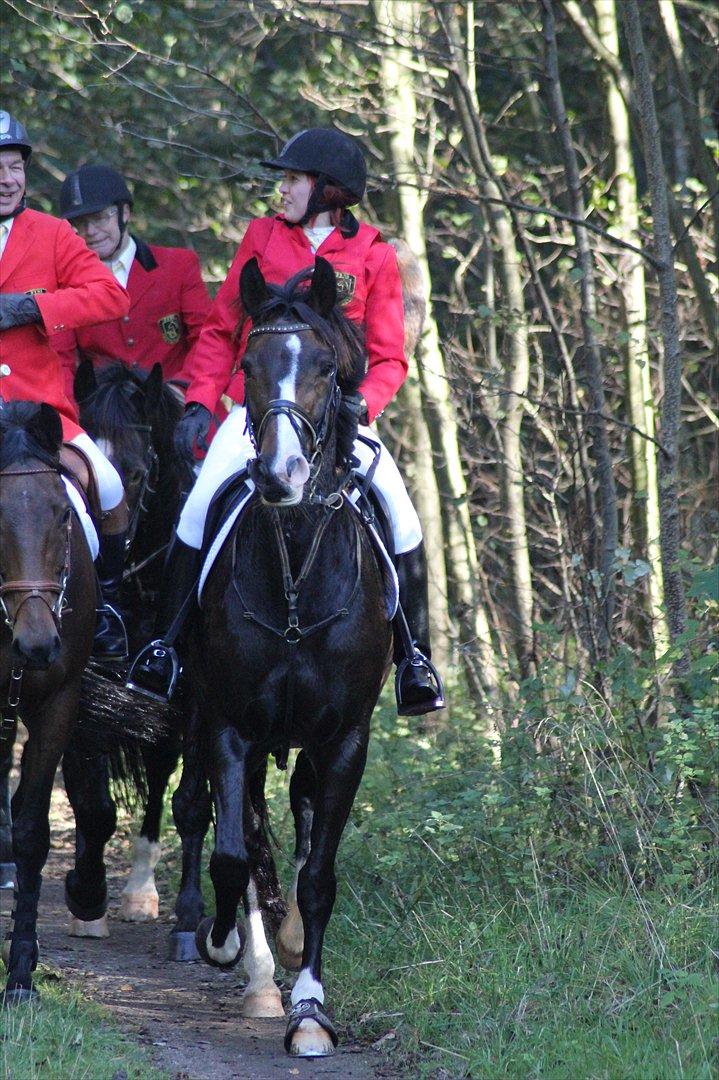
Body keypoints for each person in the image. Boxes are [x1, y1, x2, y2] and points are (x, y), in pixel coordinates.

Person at [127, 127, 444, 715]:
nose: (283, 189)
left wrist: (364, 404)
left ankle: (414, 659)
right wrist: (199, 403)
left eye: (294, 179)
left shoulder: (374, 253)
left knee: (401, 517)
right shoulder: (261, 238)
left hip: (341, 416)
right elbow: (223, 328)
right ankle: (163, 649)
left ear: (328, 190)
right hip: (257, 413)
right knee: (197, 512)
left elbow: (392, 353)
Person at [0, 111, 131, 659]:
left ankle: (105, 615)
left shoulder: (52, 234)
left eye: (14, 166)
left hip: (42, 418)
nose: (7, 178)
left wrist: (34, 306)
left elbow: (111, 296)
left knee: (111, 487)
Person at [54, 164, 211, 398]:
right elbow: (62, 363)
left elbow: (206, 338)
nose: (91, 231)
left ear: (124, 213)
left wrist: (181, 388)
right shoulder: (65, 284)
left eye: (98, 218)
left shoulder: (179, 265)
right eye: (80, 223)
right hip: (108, 418)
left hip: (180, 402)